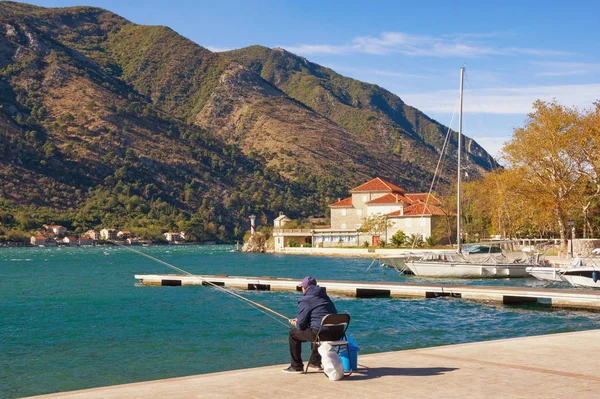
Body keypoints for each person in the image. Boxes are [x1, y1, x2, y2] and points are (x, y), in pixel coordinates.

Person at [283, 276, 344, 372]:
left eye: (302, 287)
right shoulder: (325, 297)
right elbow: (318, 316)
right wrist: (301, 321)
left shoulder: (305, 300)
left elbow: (301, 326)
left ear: (304, 288)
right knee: (315, 327)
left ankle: (296, 366)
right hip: (338, 333)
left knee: (293, 333)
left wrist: (296, 322)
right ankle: (315, 362)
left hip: (322, 334)